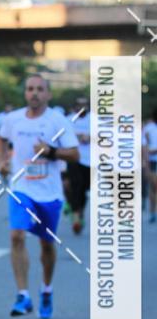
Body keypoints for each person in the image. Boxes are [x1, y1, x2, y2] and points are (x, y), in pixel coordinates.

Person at [0, 74, 79, 319]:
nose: (35, 93)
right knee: (16, 236)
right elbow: (1, 138)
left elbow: (74, 154)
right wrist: (2, 161)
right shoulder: (13, 119)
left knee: (46, 244)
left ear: (48, 94)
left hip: (49, 193)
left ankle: (46, 288)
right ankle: (23, 294)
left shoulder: (57, 120)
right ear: (25, 93)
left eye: (40, 89)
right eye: (30, 88)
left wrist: (51, 151)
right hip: (21, 187)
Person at [67, 97, 91, 234]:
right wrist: (78, 136)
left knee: (84, 189)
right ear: (75, 106)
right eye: (79, 105)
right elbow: (63, 135)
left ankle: (80, 211)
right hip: (73, 158)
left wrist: (90, 137)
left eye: (85, 105)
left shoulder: (93, 120)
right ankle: (76, 217)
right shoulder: (69, 119)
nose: (82, 107)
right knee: (75, 186)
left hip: (90, 161)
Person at [143, 108, 157, 223]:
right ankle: (153, 212)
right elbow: (145, 147)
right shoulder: (148, 129)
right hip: (153, 161)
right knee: (154, 187)